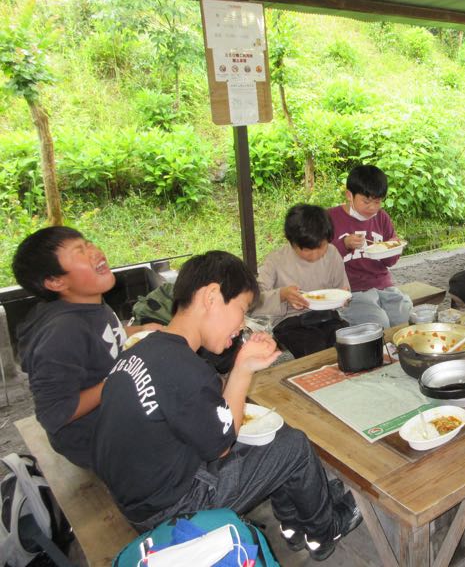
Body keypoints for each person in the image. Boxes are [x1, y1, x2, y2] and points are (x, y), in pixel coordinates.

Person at [92, 251, 362, 560]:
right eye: (242, 309)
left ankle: (294, 525)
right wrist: (243, 368)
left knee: (274, 438)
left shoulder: (145, 348)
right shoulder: (184, 367)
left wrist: (241, 366)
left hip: (139, 496)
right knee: (295, 445)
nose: (242, 323)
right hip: (173, 509)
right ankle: (324, 531)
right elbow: (221, 445)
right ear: (211, 297)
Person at [11, 226, 160, 469]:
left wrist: (142, 329)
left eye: (88, 243)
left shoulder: (88, 302)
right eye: (79, 251)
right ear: (56, 281)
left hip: (116, 410)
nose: (95, 251)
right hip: (96, 440)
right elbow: (54, 413)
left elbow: (104, 337)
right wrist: (119, 380)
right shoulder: (63, 333)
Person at [251, 204, 350, 358]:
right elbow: (253, 302)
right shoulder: (276, 260)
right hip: (291, 322)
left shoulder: (332, 253)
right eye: (307, 250)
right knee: (314, 347)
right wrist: (282, 295)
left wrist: (344, 297)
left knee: (346, 343)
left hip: (327, 317)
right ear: (292, 242)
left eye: (321, 247)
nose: (315, 255)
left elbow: (342, 290)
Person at [328, 164, 412, 328]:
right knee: (379, 324)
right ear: (349, 195)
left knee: (404, 318)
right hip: (351, 290)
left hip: (383, 285)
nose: (372, 208)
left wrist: (392, 248)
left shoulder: (382, 218)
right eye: (366, 202)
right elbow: (319, 259)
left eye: (377, 201)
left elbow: (390, 262)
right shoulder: (330, 218)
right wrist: (344, 244)